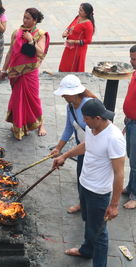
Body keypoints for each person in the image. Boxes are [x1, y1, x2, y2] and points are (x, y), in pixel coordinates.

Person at [53, 98, 125, 267]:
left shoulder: (114, 138)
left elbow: (119, 173)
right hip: (85, 184)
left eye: (86, 118)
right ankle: (86, 250)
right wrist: (64, 155)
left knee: (99, 233)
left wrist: (114, 205)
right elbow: (86, 146)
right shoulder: (91, 128)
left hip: (99, 193)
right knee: (88, 222)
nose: (83, 121)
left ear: (97, 118)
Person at [0, 8, 50, 140]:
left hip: (30, 73)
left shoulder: (40, 34)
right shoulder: (16, 33)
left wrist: (31, 40)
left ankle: (40, 125)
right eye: (24, 17)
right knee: (17, 100)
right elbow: (10, 53)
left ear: (35, 20)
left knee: (33, 99)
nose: (25, 20)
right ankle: (19, 126)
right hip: (15, 73)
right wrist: (4, 70)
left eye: (28, 18)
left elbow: (40, 52)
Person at [50, 75, 96, 214]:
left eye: (65, 93)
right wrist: (58, 148)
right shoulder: (70, 107)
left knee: (92, 178)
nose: (63, 96)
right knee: (81, 175)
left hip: (94, 148)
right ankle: (83, 203)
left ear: (74, 93)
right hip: (81, 148)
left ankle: (94, 206)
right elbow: (69, 128)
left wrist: (64, 155)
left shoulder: (89, 105)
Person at [58, 3, 95, 72]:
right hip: (69, 47)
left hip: (78, 50)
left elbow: (88, 40)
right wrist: (65, 32)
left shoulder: (88, 24)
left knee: (73, 66)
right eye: (79, 9)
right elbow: (70, 26)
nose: (79, 11)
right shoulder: (78, 17)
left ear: (86, 13)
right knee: (65, 63)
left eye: (81, 10)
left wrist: (74, 41)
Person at [122, 45, 136, 209]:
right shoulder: (134, 73)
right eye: (131, 59)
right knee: (131, 157)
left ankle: (135, 195)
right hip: (131, 121)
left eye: (135, 60)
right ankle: (131, 186)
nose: (132, 62)